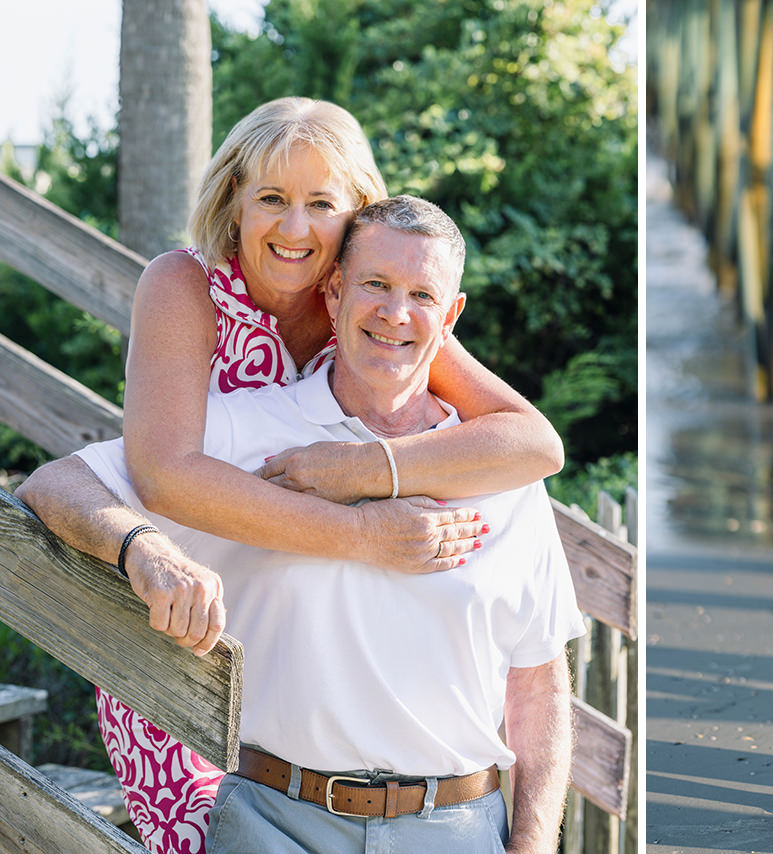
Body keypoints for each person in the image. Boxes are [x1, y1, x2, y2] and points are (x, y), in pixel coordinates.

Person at [18, 195, 584, 854]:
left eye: (422, 294)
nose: (395, 312)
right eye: (374, 283)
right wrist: (148, 550)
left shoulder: (503, 475)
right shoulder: (253, 431)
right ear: (336, 290)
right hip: (274, 822)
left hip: (457, 828)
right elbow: (53, 483)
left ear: (450, 315)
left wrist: (535, 843)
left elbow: (539, 683)